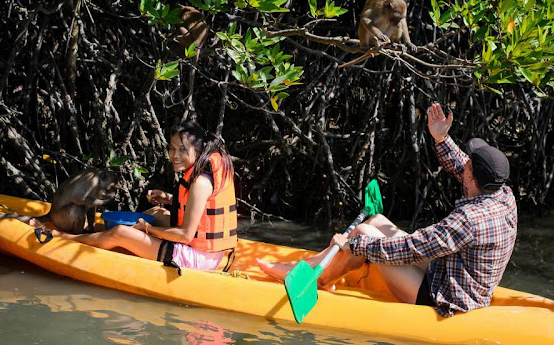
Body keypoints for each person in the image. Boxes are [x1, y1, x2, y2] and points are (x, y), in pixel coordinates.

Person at [257, 103, 516, 317]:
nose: (465, 163)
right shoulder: (501, 193)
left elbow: (413, 248)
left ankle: (320, 278)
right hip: (454, 274)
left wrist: (355, 246)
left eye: (470, 164)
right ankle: (314, 267)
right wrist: (442, 138)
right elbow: (464, 168)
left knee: (364, 234)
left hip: (447, 299)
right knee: (377, 219)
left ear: (473, 178)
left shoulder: (469, 220)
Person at [33, 121, 237, 271]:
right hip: (205, 252)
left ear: (199, 150)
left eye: (182, 150)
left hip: (197, 259)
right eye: (172, 148)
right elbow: (199, 208)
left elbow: (185, 235)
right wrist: (168, 198)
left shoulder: (200, 182)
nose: (175, 155)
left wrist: (148, 229)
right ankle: (108, 238)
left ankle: (68, 237)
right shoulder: (202, 173)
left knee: (121, 231)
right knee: (154, 211)